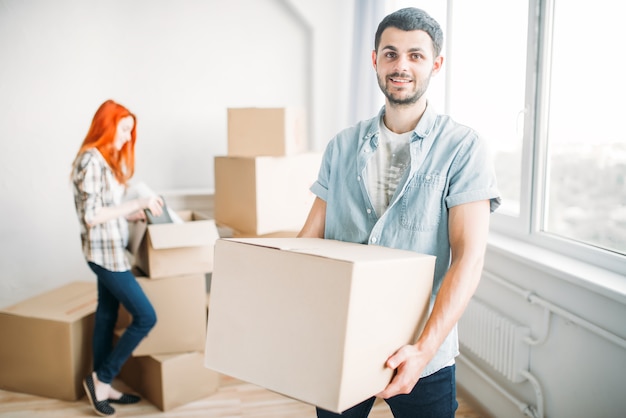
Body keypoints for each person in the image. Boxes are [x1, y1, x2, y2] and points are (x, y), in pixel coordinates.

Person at [298, 7, 501, 418]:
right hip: (344, 341)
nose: (401, 65)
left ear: (436, 64)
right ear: (374, 60)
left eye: (415, 55)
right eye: (390, 54)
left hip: (423, 348)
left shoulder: (464, 148)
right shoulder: (341, 146)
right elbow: (309, 239)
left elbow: (468, 257)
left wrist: (423, 352)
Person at [71, 99, 164, 416]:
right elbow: (93, 215)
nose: (128, 137)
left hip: (112, 251)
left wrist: (131, 215)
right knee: (146, 316)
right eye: (124, 129)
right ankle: (102, 378)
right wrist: (134, 204)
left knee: (107, 315)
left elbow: (107, 210)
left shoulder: (104, 161)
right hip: (103, 255)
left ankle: (103, 386)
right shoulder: (90, 162)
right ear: (107, 126)